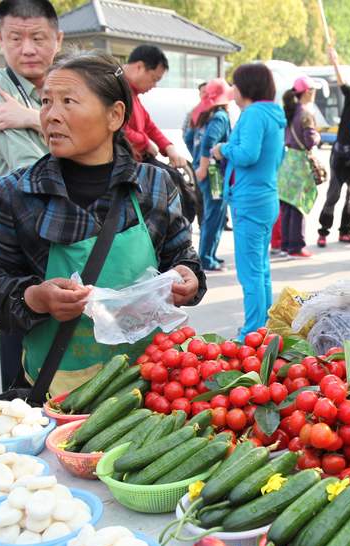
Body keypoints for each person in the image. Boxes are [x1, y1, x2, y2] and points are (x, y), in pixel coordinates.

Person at [0, 53, 205, 395]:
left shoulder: (155, 185)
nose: (51, 115)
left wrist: (188, 277)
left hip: (152, 389)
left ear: (115, 115)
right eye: (46, 101)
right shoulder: (18, 192)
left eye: (68, 101)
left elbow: (181, 256)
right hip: (58, 391)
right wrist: (35, 298)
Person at [0, 0, 63, 393]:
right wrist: (71, 124)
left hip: (81, 236)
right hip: (19, 241)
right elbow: (38, 170)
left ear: (57, 39)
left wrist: (29, 117)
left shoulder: (72, 78)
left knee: (80, 359)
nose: (27, 49)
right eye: (15, 38)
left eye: (38, 38)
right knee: (23, 372)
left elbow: (113, 148)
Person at [210, 63, 285, 335]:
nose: (232, 90)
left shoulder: (253, 114)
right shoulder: (273, 114)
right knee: (261, 270)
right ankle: (261, 328)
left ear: (246, 87)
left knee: (250, 273)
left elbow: (247, 154)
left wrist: (222, 148)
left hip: (250, 201)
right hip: (265, 198)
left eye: (235, 84)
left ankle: (252, 332)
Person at [316, 46, 350, 248]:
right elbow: (341, 82)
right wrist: (335, 61)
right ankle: (323, 231)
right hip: (340, 155)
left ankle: (345, 231)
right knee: (333, 195)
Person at [120, 45, 188, 168]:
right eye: (154, 79)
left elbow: (149, 126)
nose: (154, 85)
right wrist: (145, 143)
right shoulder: (116, 89)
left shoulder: (133, 94)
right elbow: (119, 129)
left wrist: (168, 147)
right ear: (139, 67)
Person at [278, 75, 322, 259]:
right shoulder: (305, 114)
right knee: (298, 205)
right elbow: (310, 140)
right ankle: (296, 246)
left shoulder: (290, 110)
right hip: (300, 163)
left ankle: (286, 244)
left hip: (288, 161)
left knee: (287, 205)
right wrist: (319, 137)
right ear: (308, 92)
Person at [193, 78, 233, 272]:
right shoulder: (220, 117)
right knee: (214, 214)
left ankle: (210, 254)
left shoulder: (204, 115)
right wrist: (203, 167)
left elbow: (189, 137)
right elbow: (209, 142)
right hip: (213, 172)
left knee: (214, 214)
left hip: (208, 171)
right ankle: (207, 258)